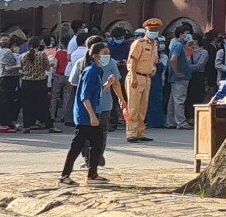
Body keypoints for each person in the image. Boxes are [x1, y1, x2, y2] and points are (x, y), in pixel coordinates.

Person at [62, 43, 113, 184]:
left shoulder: (98, 71)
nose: (107, 55)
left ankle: (92, 175)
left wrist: (106, 85)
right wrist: (91, 115)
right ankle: (64, 176)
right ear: (96, 55)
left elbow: (94, 92)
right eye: (105, 52)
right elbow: (85, 96)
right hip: (85, 115)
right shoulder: (91, 71)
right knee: (77, 146)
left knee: (97, 144)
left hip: (92, 113)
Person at [123, 21, 161, 143]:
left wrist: (153, 69)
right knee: (133, 107)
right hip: (136, 76)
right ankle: (131, 133)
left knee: (143, 107)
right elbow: (132, 61)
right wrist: (133, 77)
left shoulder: (155, 44)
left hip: (147, 77)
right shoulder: (139, 43)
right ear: (146, 30)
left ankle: (140, 132)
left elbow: (154, 60)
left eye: (156, 30)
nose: (154, 32)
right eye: (151, 30)